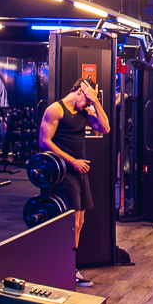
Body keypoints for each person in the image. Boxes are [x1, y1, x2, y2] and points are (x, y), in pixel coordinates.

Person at [39, 77, 111, 285]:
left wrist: (95, 101)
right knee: (70, 223)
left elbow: (105, 128)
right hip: (63, 172)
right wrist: (72, 161)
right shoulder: (56, 110)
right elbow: (44, 141)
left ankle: (70, 267)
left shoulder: (85, 112)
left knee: (79, 222)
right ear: (80, 91)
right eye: (87, 99)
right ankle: (63, 269)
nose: (88, 104)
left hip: (80, 172)